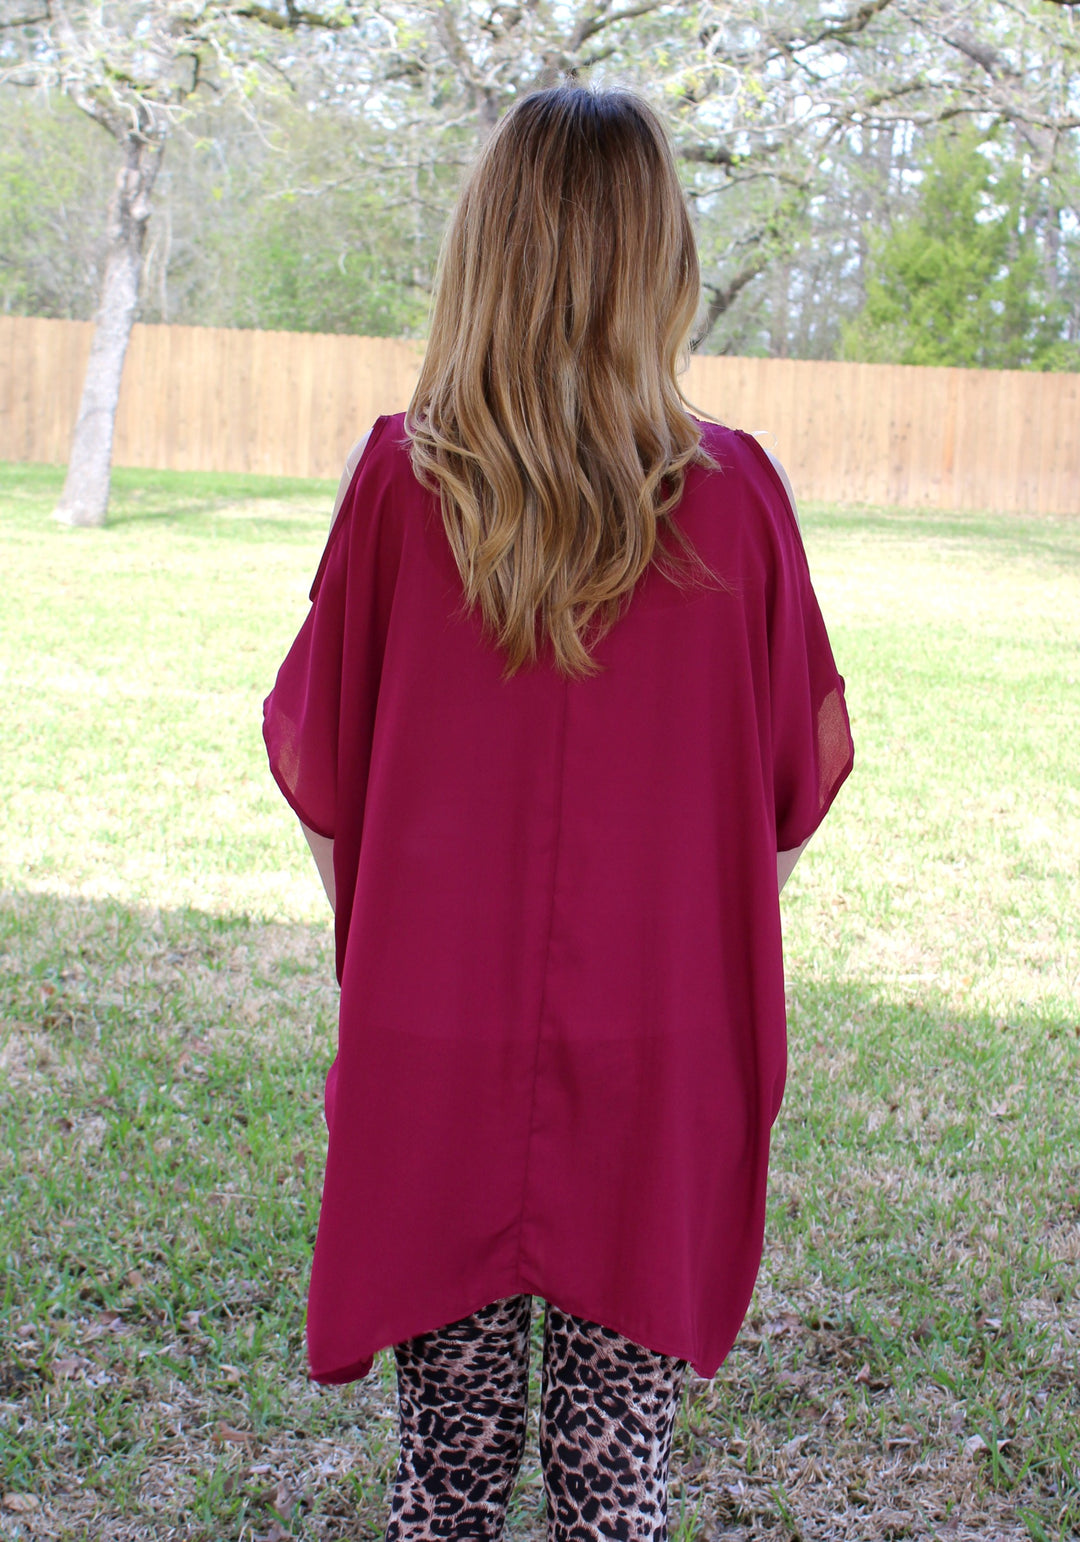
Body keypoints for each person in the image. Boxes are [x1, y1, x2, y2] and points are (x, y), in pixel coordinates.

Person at [263, 83, 854, 1542]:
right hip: (660, 1052)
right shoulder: (736, 499)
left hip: (432, 1037)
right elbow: (790, 801)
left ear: (487, 249)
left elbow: (323, 785)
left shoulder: (403, 483)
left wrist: (408, 939)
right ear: (661, 258)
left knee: (447, 1485)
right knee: (612, 1486)